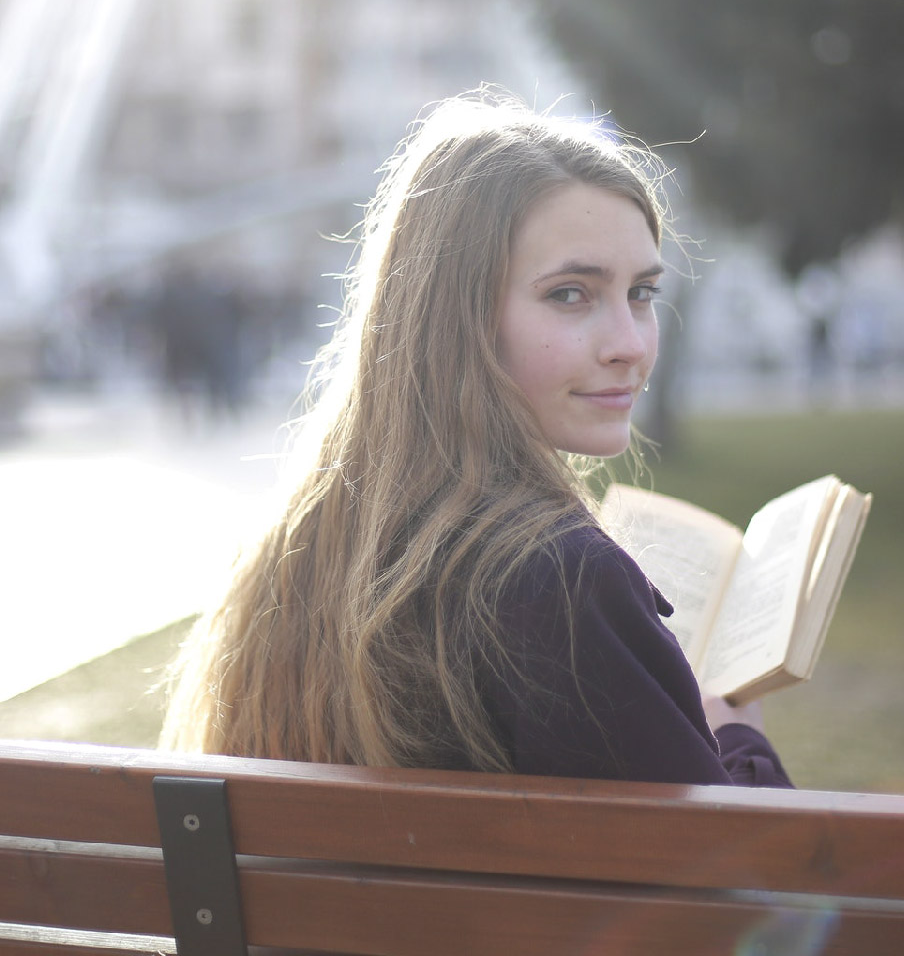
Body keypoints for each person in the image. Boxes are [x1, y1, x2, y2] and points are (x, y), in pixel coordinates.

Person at [161, 91, 791, 788]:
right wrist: (737, 735)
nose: (630, 345)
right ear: (455, 316)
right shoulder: (563, 583)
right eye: (571, 294)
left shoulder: (301, 544)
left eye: (641, 292)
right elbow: (742, 882)